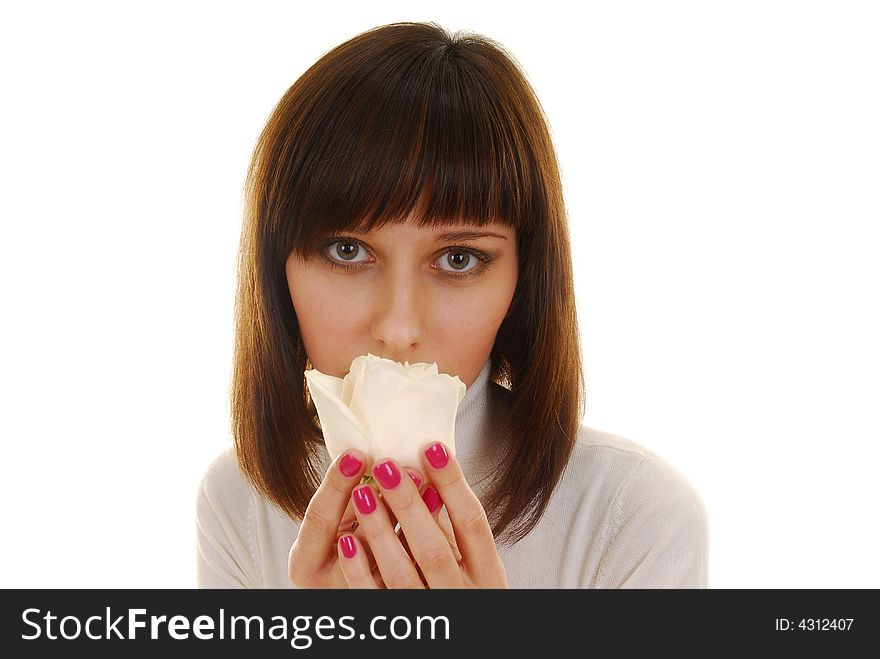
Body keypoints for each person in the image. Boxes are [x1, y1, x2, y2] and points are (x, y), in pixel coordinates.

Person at [195, 21, 709, 589]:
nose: (398, 328)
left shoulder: (635, 520)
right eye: (347, 251)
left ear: (525, 276)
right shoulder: (238, 504)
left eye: (459, 259)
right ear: (276, 270)